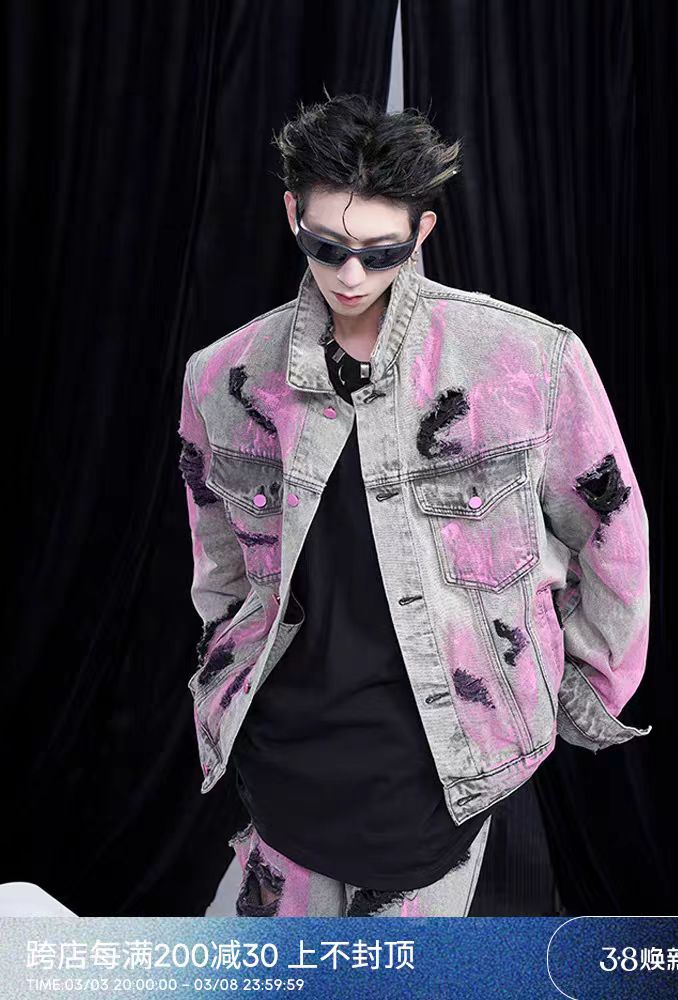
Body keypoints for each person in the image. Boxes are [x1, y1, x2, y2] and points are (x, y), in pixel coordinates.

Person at [177, 93, 652, 918]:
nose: (350, 276)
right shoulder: (224, 377)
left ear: (423, 231)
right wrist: (229, 675)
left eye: (380, 252)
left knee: (412, 972)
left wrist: (578, 692)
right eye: (327, 246)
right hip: (286, 762)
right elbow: (219, 559)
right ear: (291, 214)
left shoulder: (526, 361)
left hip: (450, 767)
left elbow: (613, 535)